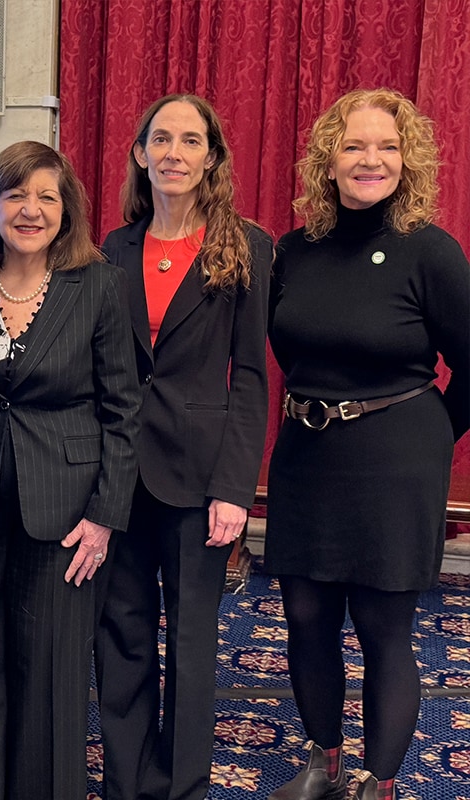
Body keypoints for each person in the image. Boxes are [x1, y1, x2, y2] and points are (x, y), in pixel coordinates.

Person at [266, 88, 470, 800]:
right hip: (305, 457)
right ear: (329, 158)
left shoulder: (431, 252)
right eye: (354, 146)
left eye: (386, 147)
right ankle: (323, 764)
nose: (370, 160)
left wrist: (433, 434)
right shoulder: (293, 250)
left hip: (396, 464)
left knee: (384, 626)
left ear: (408, 160)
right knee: (306, 616)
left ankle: (379, 784)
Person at [0, 140, 141, 800]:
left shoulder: (101, 285)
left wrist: (105, 517)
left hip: (67, 515)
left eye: (46, 197)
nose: (30, 210)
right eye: (16, 194)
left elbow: (123, 411)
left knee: (50, 677)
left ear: (67, 209)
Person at [95, 94, 273, 800]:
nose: (173, 152)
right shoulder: (113, 247)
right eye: (160, 139)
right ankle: (127, 779)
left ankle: (182, 788)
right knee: (122, 634)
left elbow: (253, 377)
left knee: (192, 643)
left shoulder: (247, 246)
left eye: (189, 140)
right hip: (119, 475)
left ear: (211, 157)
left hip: (202, 482)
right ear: (140, 153)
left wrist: (235, 488)